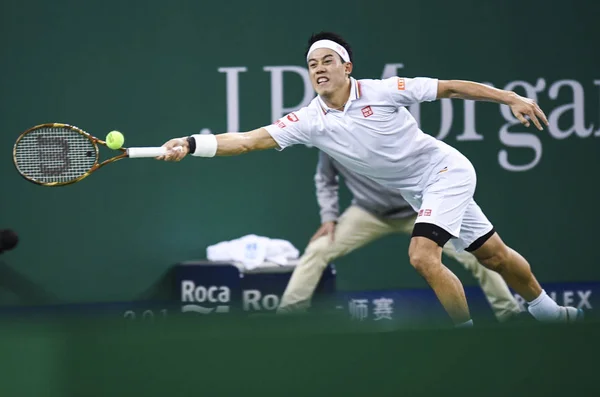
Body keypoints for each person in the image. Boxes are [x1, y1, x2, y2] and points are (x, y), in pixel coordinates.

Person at [159, 31, 583, 326]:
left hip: (446, 171)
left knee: (421, 256)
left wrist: (509, 97)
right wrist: (193, 143)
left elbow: (450, 88)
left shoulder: (383, 90)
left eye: (328, 61)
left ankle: (465, 337)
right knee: (494, 255)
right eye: (312, 64)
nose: (319, 69)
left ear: (347, 67)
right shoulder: (309, 120)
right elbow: (250, 140)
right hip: (416, 191)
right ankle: (549, 312)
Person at [276, 150, 522, 322]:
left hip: (418, 209)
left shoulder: (391, 132)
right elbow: (325, 180)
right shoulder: (331, 143)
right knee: (318, 249)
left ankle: (509, 314)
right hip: (368, 212)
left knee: (476, 250)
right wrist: (329, 217)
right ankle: (286, 320)